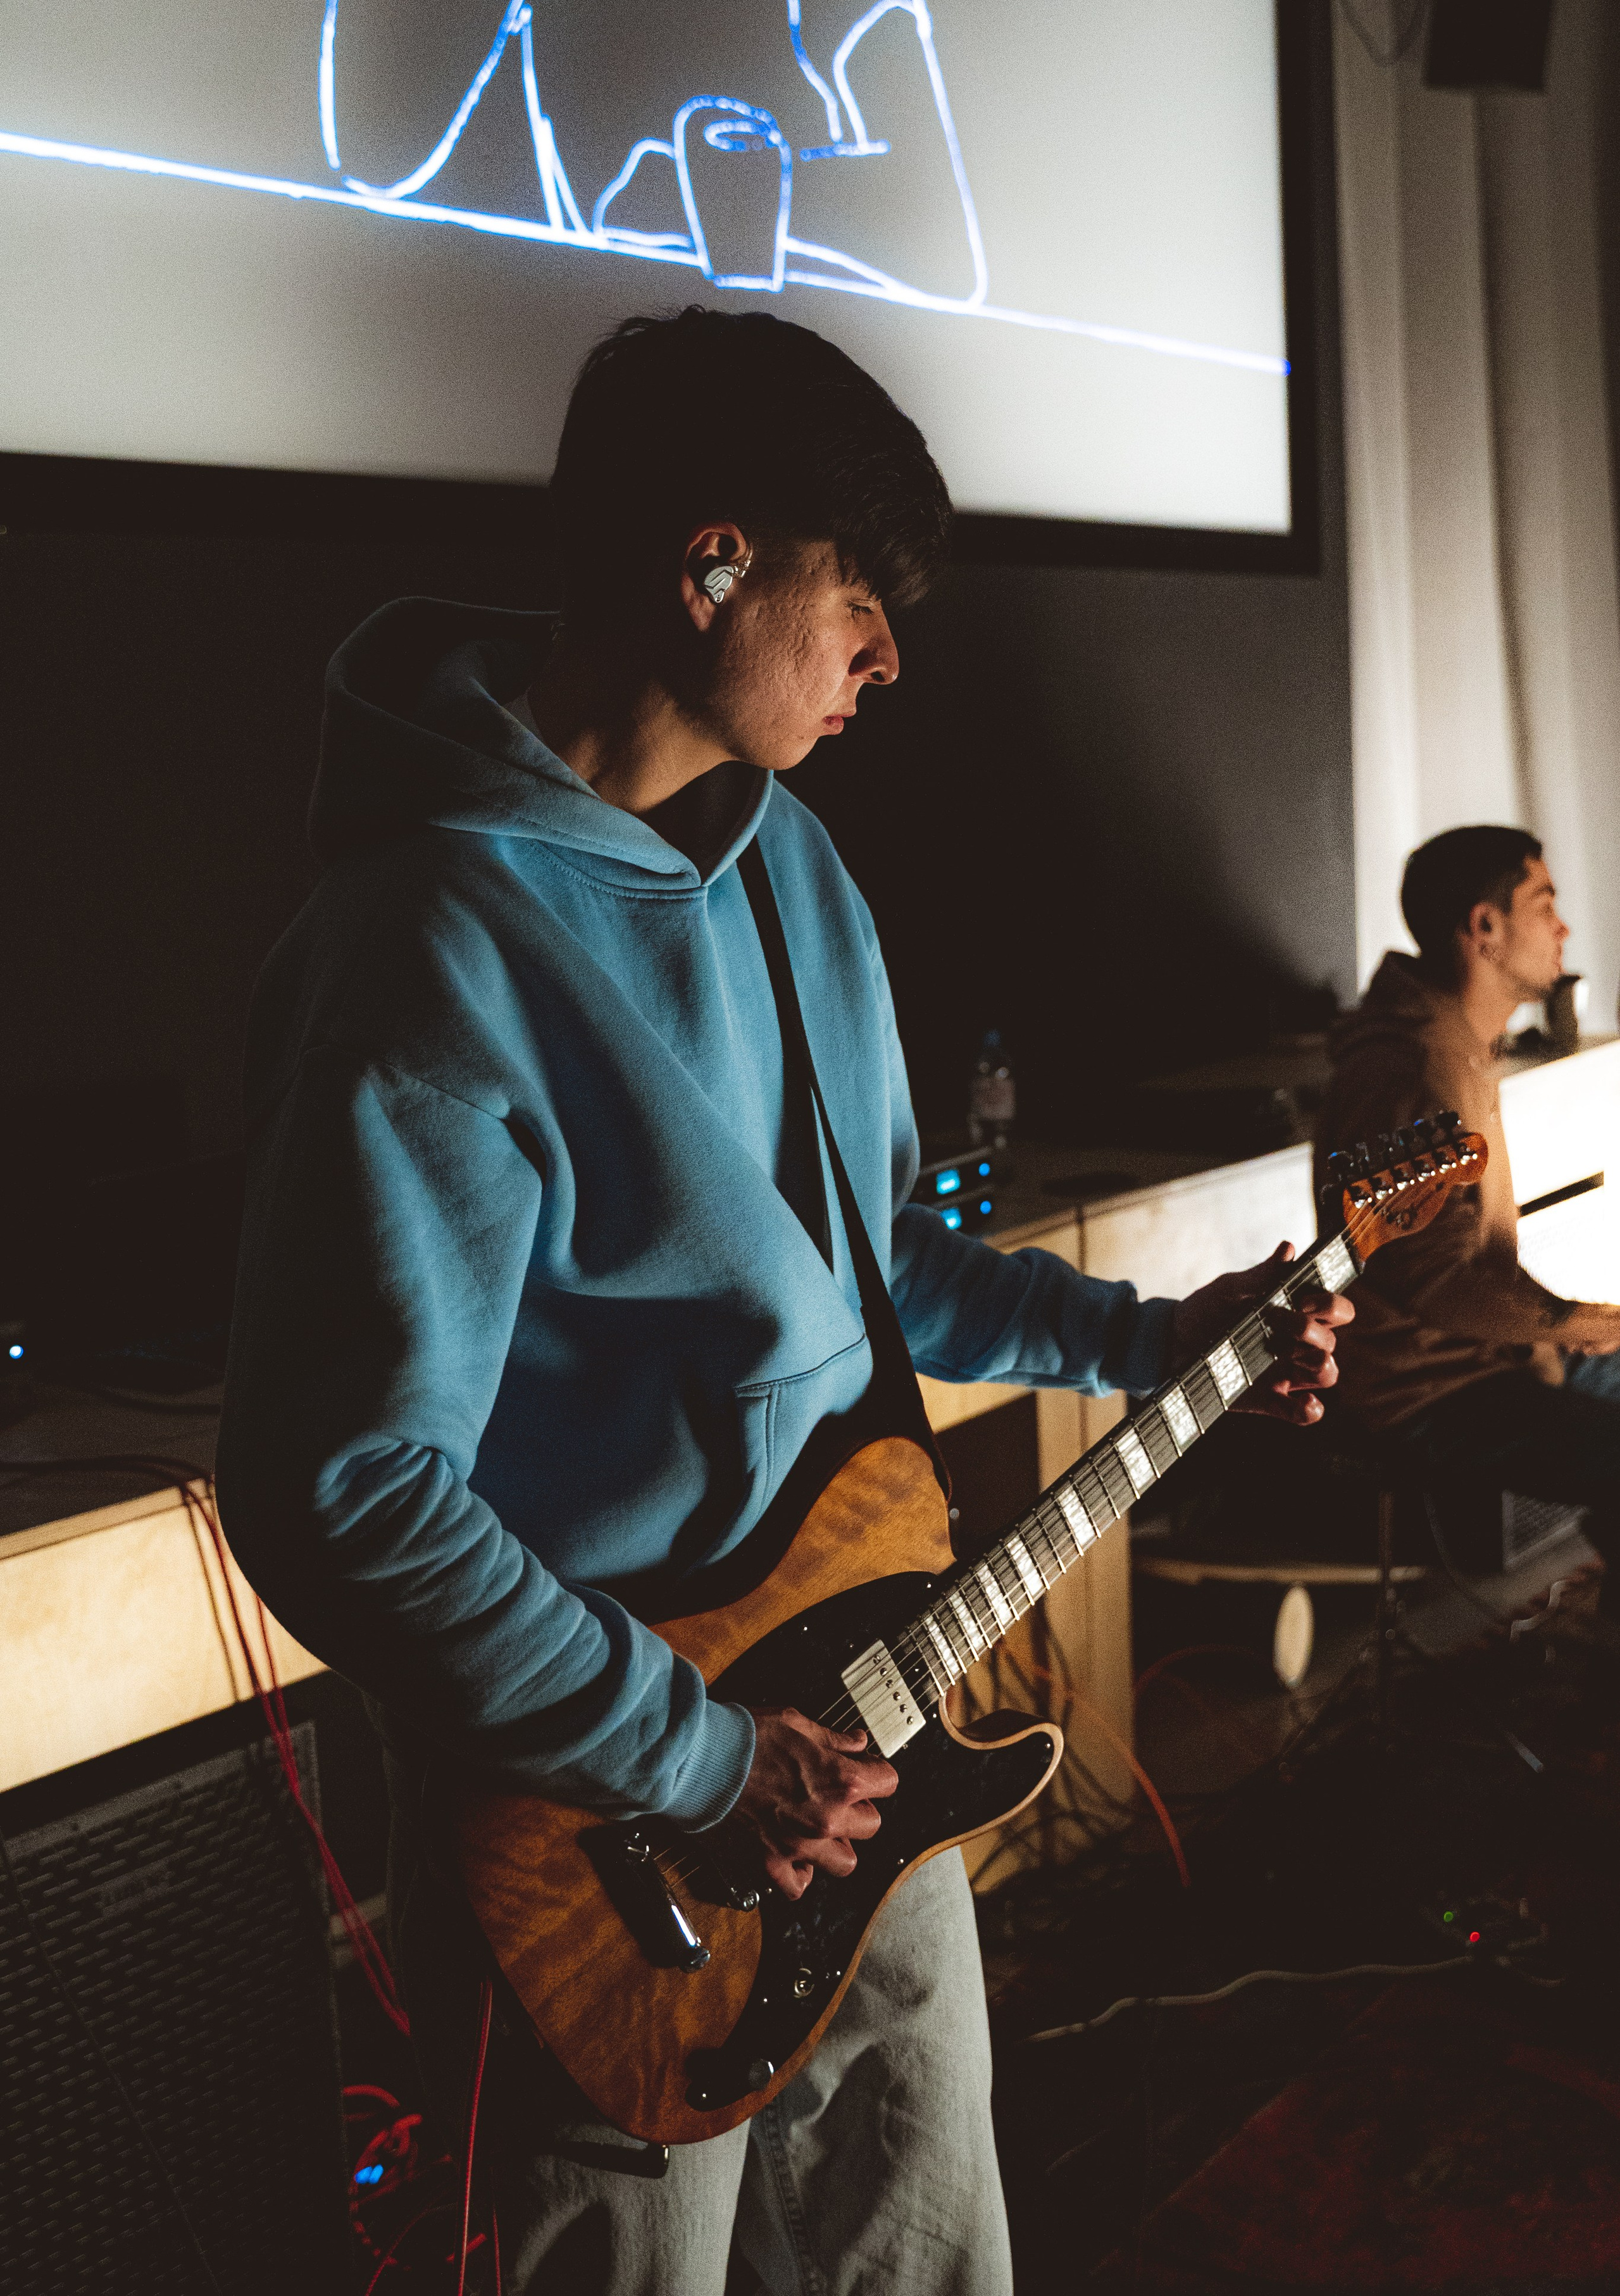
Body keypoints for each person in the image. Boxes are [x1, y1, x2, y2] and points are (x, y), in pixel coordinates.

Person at [217, 306, 1349, 2296]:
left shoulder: (795, 866)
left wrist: (1150, 1341)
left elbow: (880, 1268)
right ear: (713, 564)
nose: (887, 662)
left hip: (864, 1756)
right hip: (610, 1845)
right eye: (860, 602)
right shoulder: (420, 948)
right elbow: (343, 1488)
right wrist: (694, 1756)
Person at [1315, 824, 1620, 1586]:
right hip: (1425, 1388)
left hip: (1488, 1356)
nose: (1563, 928)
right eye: (1543, 904)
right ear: (1485, 928)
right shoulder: (1415, 1068)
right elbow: (1434, 1282)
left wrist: (1575, 1328)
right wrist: (1579, 1322)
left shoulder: (1454, 1043)